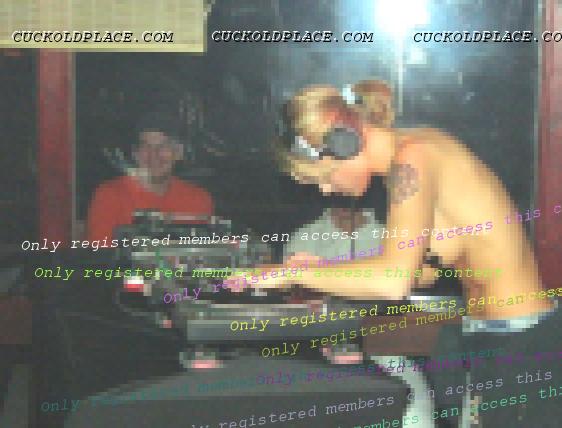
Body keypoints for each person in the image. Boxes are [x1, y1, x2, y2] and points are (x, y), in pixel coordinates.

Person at [225, 80, 561, 426]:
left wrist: (295, 273)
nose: (325, 190)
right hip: (493, 335)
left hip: (522, 340)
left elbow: (393, 281)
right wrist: (327, 269)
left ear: (345, 144)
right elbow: (423, 270)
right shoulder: (415, 153)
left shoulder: (414, 158)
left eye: (323, 177)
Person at [87, 111, 214, 240]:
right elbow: (100, 250)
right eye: (146, 147)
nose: (153, 155)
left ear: (179, 153)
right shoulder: (110, 195)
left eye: (163, 146)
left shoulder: (198, 199)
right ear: (135, 154)